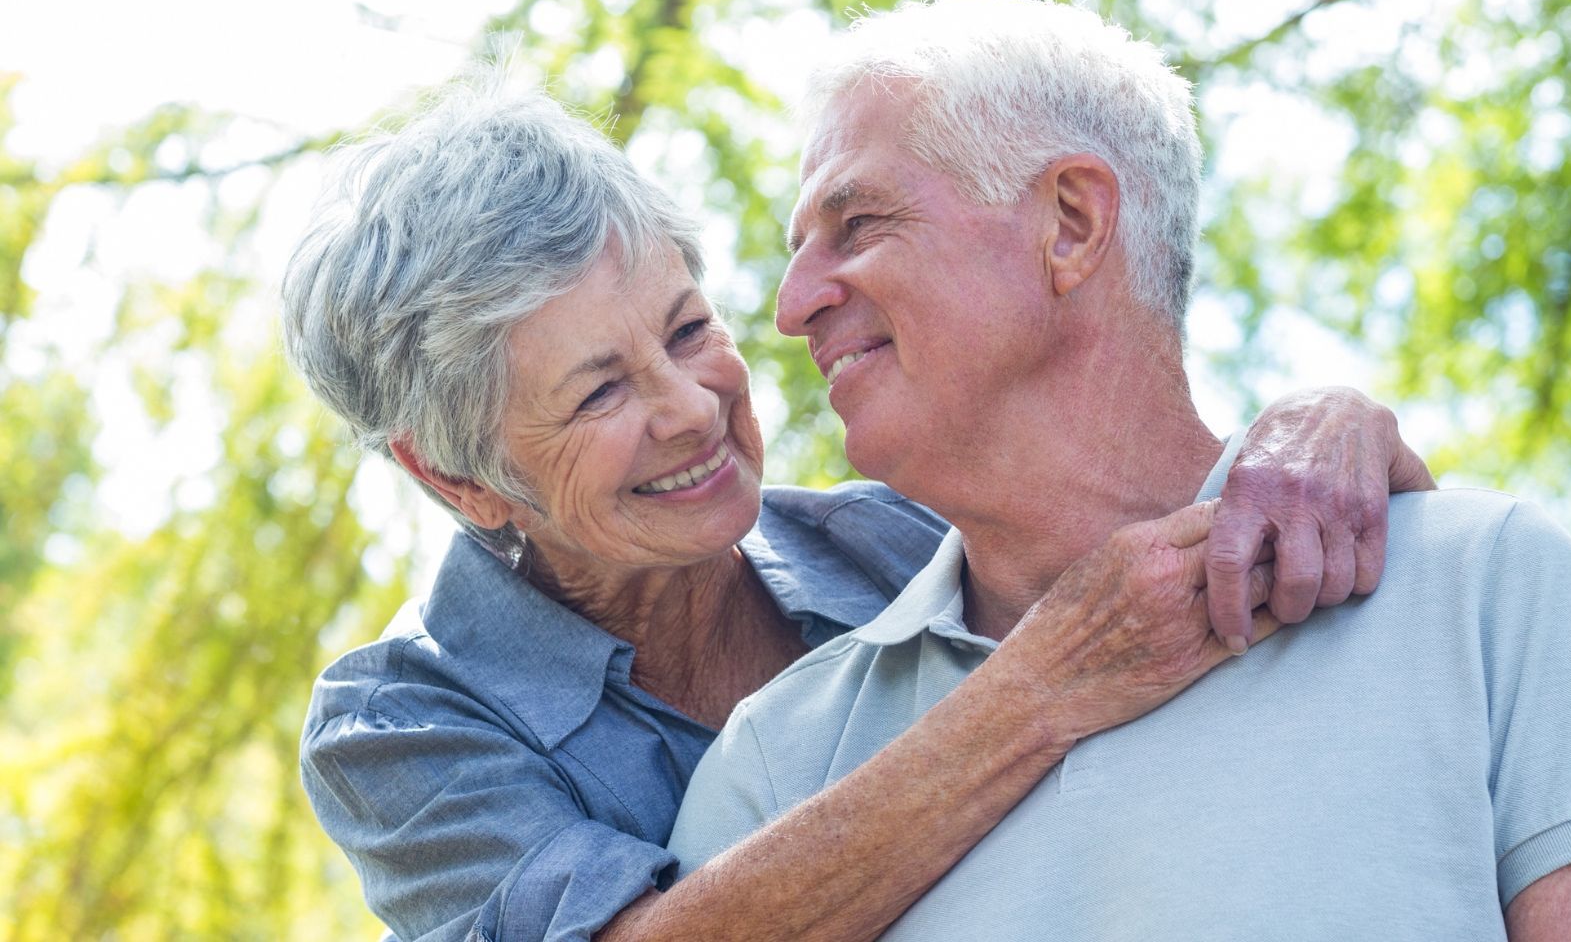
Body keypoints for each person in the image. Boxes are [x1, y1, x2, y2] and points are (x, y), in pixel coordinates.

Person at [280, 76, 1437, 941]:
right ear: (457, 476)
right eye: (598, 391)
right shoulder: (401, 723)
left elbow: (1171, 546)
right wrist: (1038, 690)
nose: (692, 408)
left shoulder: (889, 538)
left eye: (688, 331)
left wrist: (1320, 426)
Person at [667, 0, 1571, 940]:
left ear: (1069, 222)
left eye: (857, 224)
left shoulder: (1477, 588)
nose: (790, 306)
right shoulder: (777, 762)